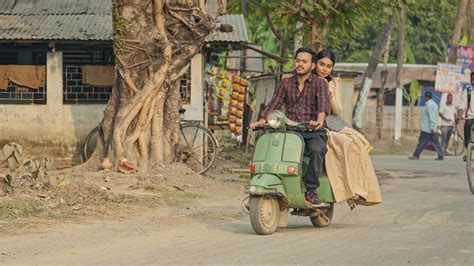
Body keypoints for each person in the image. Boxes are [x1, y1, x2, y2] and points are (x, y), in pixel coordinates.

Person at [249, 47, 330, 207]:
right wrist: (261, 121)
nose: (300, 64)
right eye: (298, 60)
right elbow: (275, 103)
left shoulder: (319, 83)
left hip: (312, 131)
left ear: (312, 65)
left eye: (304, 62)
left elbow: (322, 108)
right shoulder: (286, 83)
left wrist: (319, 121)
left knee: (316, 149)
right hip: (290, 131)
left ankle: (311, 192)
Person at [312, 50, 382, 208]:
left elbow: (338, 109)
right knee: (343, 143)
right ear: (315, 64)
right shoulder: (309, 81)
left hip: (331, 122)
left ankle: (357, 189)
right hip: (315, 125)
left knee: (356, 144)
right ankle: (347, 189)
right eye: (321, 64)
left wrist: (330, 93)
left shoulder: (332, 83)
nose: (324, 69)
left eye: (328, 66)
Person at [409, 91, 444, 160]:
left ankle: (416, 155)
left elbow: (432, 117)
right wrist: (434, 127)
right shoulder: (434, 104)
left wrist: (432, 127)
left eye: (424, 97)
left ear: (426, 97)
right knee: (436, 142)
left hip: (427, 129)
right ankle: (441, 155)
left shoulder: (429, 106)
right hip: (431, 128)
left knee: (422, 142)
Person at [456, 72, 474, 161]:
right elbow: (461, 106)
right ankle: (468, 152)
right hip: (470, 117)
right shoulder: (467, 91)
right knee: (467, 130)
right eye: (472, 79)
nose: (473, 81)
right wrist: (459, 115)